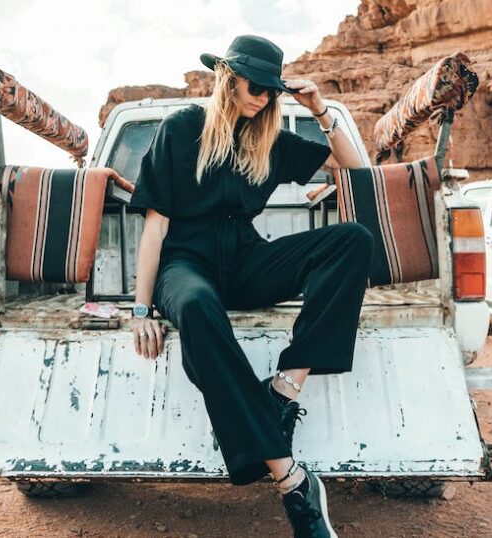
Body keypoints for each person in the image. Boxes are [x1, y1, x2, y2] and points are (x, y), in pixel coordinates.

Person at [128, 35, 372, 538]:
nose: (262, 95)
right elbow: (155, 224)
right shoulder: (182, 128)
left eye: (272, 89)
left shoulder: (270, 142)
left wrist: (319, 108)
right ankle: (292, 480)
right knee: (195, 306)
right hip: (185, 263)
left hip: (245, 260)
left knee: (351, 240)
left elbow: (355, 169)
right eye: (254, 84)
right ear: (228, 77)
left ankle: (285, 388)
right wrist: (140, 308)